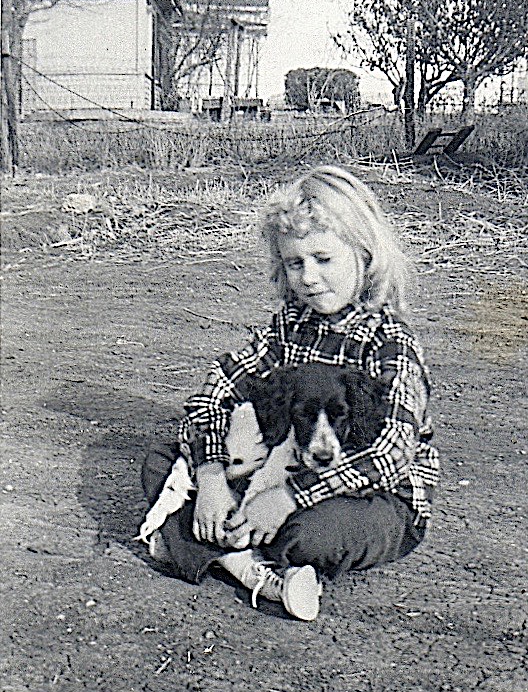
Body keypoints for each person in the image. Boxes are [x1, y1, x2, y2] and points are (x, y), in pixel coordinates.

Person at [141, 165, 440, 621]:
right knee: (162, 461)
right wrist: (213, 476)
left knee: (311, 535)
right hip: (275, 472)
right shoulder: (290, 325)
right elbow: (218, 388)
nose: (309, 277)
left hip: (372, 497)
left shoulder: (389, 342)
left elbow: (391, 454)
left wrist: (288, 498)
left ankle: (204, 547)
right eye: (295, 263)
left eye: (323, 258)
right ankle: (255, 568)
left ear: (364, 254)